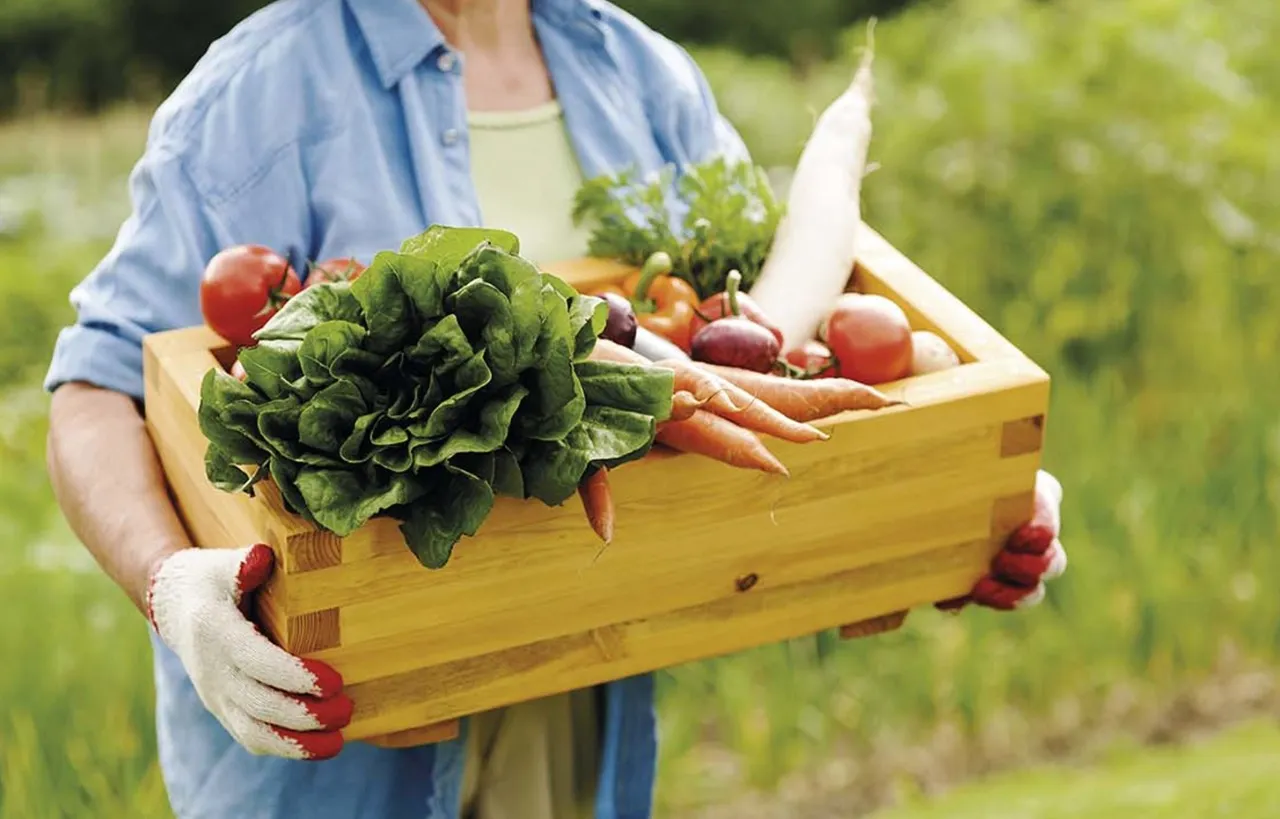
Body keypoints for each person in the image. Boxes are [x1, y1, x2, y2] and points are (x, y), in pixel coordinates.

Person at [43, 1, 1069, 817]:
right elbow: (93, 392)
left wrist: (957, 490)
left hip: (581, 715)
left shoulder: (636, 72)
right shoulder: (257, 92)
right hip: (338, 768)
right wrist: (173, 589)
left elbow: (751, 325)